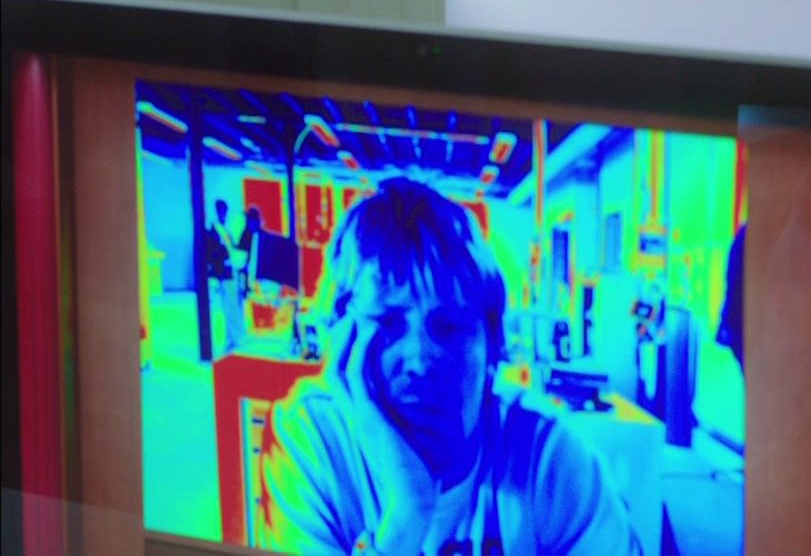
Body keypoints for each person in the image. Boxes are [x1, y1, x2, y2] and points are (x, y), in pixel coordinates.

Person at [257, 177, 641, 556]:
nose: (420, 360)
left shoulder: (548, 460)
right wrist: (405, 520)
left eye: (450, 325)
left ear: (492, 349)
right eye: (387, 321)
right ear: (342, 341)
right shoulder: (315, 443)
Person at [204, 199, 244, 351]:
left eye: (225, 211)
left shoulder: (225, 231)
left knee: (232, 306)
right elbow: (212, 255)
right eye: (222, 211)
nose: (224, 214)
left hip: (231, 271)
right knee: (229, 307)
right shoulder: (213, 232)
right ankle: (233, 339)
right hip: (224, 273)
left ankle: (232, 338)